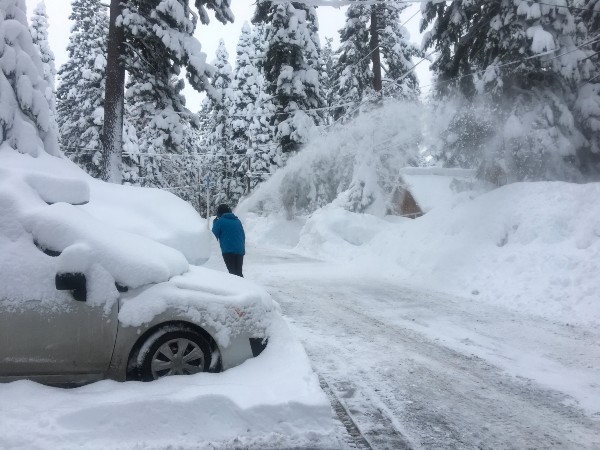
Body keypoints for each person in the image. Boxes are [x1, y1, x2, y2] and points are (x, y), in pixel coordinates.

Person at [211, 204, 245, 277]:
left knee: (232, 274)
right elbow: (243, 235)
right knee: (238, 272)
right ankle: (243, 287)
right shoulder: (237, 221)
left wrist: (215, 223)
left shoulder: (220, 222)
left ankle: (239, 287)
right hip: (240, 250)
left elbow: (213, 236)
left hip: (228, 250)